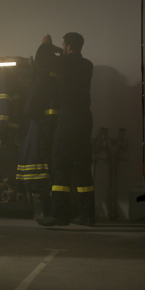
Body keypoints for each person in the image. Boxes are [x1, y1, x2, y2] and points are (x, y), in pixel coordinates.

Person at [36, 33, 96, 227]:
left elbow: (41, 60)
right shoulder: (88, 65)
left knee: (60, 163)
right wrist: (61, 50)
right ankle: (87, 216)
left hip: (68, 117)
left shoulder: (62, 63)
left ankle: (60, 215)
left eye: (64, 44)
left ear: (68, 46)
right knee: (83, 165)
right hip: (85, 119)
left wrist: (47, 45)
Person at [15, 36, 62, 221]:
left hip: (43, 124)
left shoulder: (43, 69)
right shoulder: (47, 69)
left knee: (44, 163)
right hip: (41, 124)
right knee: (39, 163)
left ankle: (45, 209)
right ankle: (40, 210)